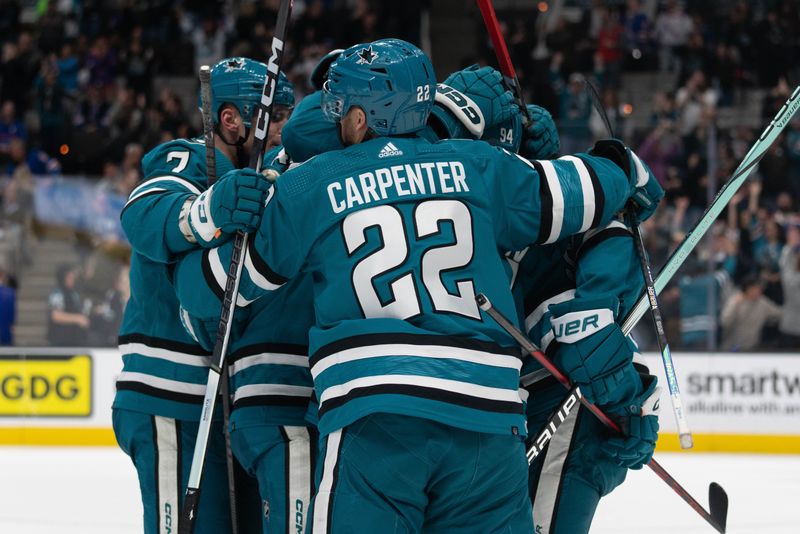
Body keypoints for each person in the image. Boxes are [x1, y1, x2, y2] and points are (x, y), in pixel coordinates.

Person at [171, 38, 662, 533]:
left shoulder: (310, 185)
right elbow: (591, 188)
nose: (336, 120)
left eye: (342, 110)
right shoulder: (483, 166)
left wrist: (202, 230)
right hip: (488, 424)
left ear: (361, 119)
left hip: (374, 420)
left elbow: (215, 290)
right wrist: (627, 167)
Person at [112, 57, 272, 534]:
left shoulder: (259, 180)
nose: (283, 130)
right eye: (274, 117)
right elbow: (142, 214)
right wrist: (206, 211)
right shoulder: (192, 159)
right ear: (230, 119)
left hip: (217, 403)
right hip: (171, 396)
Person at [720, 275, 782, 351]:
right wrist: (735, 306)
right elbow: (725, 322)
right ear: (748, 289)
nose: (759, 291)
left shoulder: (762, 302)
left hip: (752, 347)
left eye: (760, 288)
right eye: (756, 288)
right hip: (733, 347)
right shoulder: (735, 301)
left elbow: (778, 312)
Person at [47, 263, 90, 346]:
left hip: (74, 339)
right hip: (60, 341)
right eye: (69, 277)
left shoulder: (73, 293)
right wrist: (78, 318)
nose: (73, 279)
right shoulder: (57, 294)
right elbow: (56, 316)